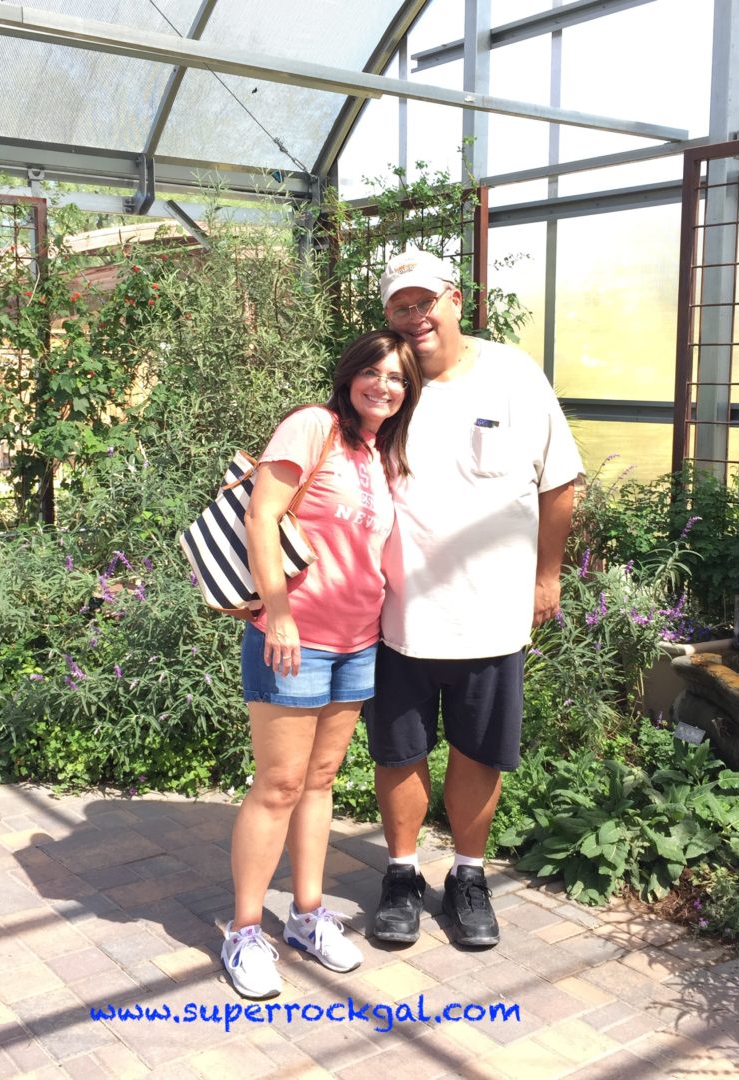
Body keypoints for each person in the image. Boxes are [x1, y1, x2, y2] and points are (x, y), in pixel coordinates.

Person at [365, 249, 583, 948]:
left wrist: (546, 578)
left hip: (490, 614)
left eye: (425, 302)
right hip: (396, 611)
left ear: (455, 300)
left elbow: (558, 483)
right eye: (401, 306)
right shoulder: (387, 384)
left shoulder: (513, 375)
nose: (415, 317)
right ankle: (401, 875)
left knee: (478, 751)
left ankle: (466, 876)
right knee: (399, 751)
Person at [221, 329, 422, 999]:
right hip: (293, 637)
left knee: (320, 779)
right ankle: (245, 931)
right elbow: (262, 515)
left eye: (396, 378)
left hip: (357, 640)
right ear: (350, 374)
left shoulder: (377, 453)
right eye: (373, 371)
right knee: (277, 783)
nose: (383, 386)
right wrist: (276, 611)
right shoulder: (314, 427)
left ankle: (307, 915)